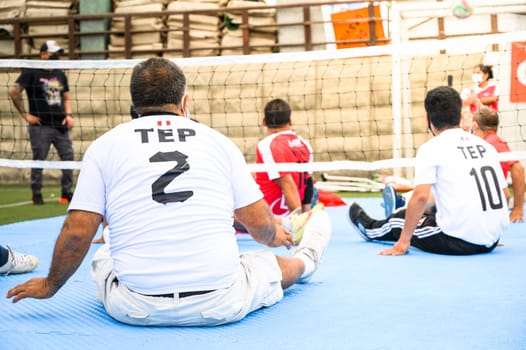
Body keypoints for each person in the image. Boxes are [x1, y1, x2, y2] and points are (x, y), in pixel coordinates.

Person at [7, 57, 332, 327]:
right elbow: (258, 226)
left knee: (105, 255)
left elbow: (77, 232)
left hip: (133, 308)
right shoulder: (217, 142)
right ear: (185, 102)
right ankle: (307, 260)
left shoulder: (105, 145)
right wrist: (276, 235)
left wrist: (50, 285)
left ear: (133, 104)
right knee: (264, 263)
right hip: (220, 303)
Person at [348, 86, 509, 256]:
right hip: (492, 239)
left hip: (458, 241)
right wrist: (485, 231)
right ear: (461, 117)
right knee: (439, 199)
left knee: (399, 221)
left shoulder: (431, 148)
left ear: (428, 119)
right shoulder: (486, 146)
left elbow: (421, 196)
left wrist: (403, 243)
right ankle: (404, 205)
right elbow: (505, 195)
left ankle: (369, 228)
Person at [8, 40, 74, 205]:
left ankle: (67, 193)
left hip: (60, 125)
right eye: (53, 54)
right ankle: (36, 195)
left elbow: (66, 97)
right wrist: (25, 115)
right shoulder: (31, 72)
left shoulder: (59, 74)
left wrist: (69, 115)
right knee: (39, 160)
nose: (56, 57)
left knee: (69, 158)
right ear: (43, 54)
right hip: (40, 126)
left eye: (58, 54)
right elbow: (14, 91)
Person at [255, 98, 314, 215]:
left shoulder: (267, 145)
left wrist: (298, 221)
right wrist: (307, 212)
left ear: (264, 121)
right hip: (299, 205)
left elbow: (287, 183)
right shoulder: (305, 144)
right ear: (290, 121)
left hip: (273, 214)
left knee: (229, 216)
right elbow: (309, 182)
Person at [471, 108, 524, 222]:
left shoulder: (492, 143)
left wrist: (517, 209)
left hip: (489, 208)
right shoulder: (484, 142)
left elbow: (518, 169)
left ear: (475, 125)